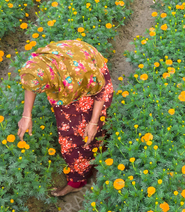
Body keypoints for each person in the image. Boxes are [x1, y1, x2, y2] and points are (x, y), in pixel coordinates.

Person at [16, 39, 114, 197]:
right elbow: (31, 83)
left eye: (41, 89)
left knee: (83, 132)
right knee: (70, 130)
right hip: (69, 78)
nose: (40, 92)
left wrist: (94, 122)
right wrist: (26, 115)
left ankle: (81, 175)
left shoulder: (79, 73)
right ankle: (85, 166)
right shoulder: (37, 66)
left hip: (90, 78)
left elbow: (100, 92)